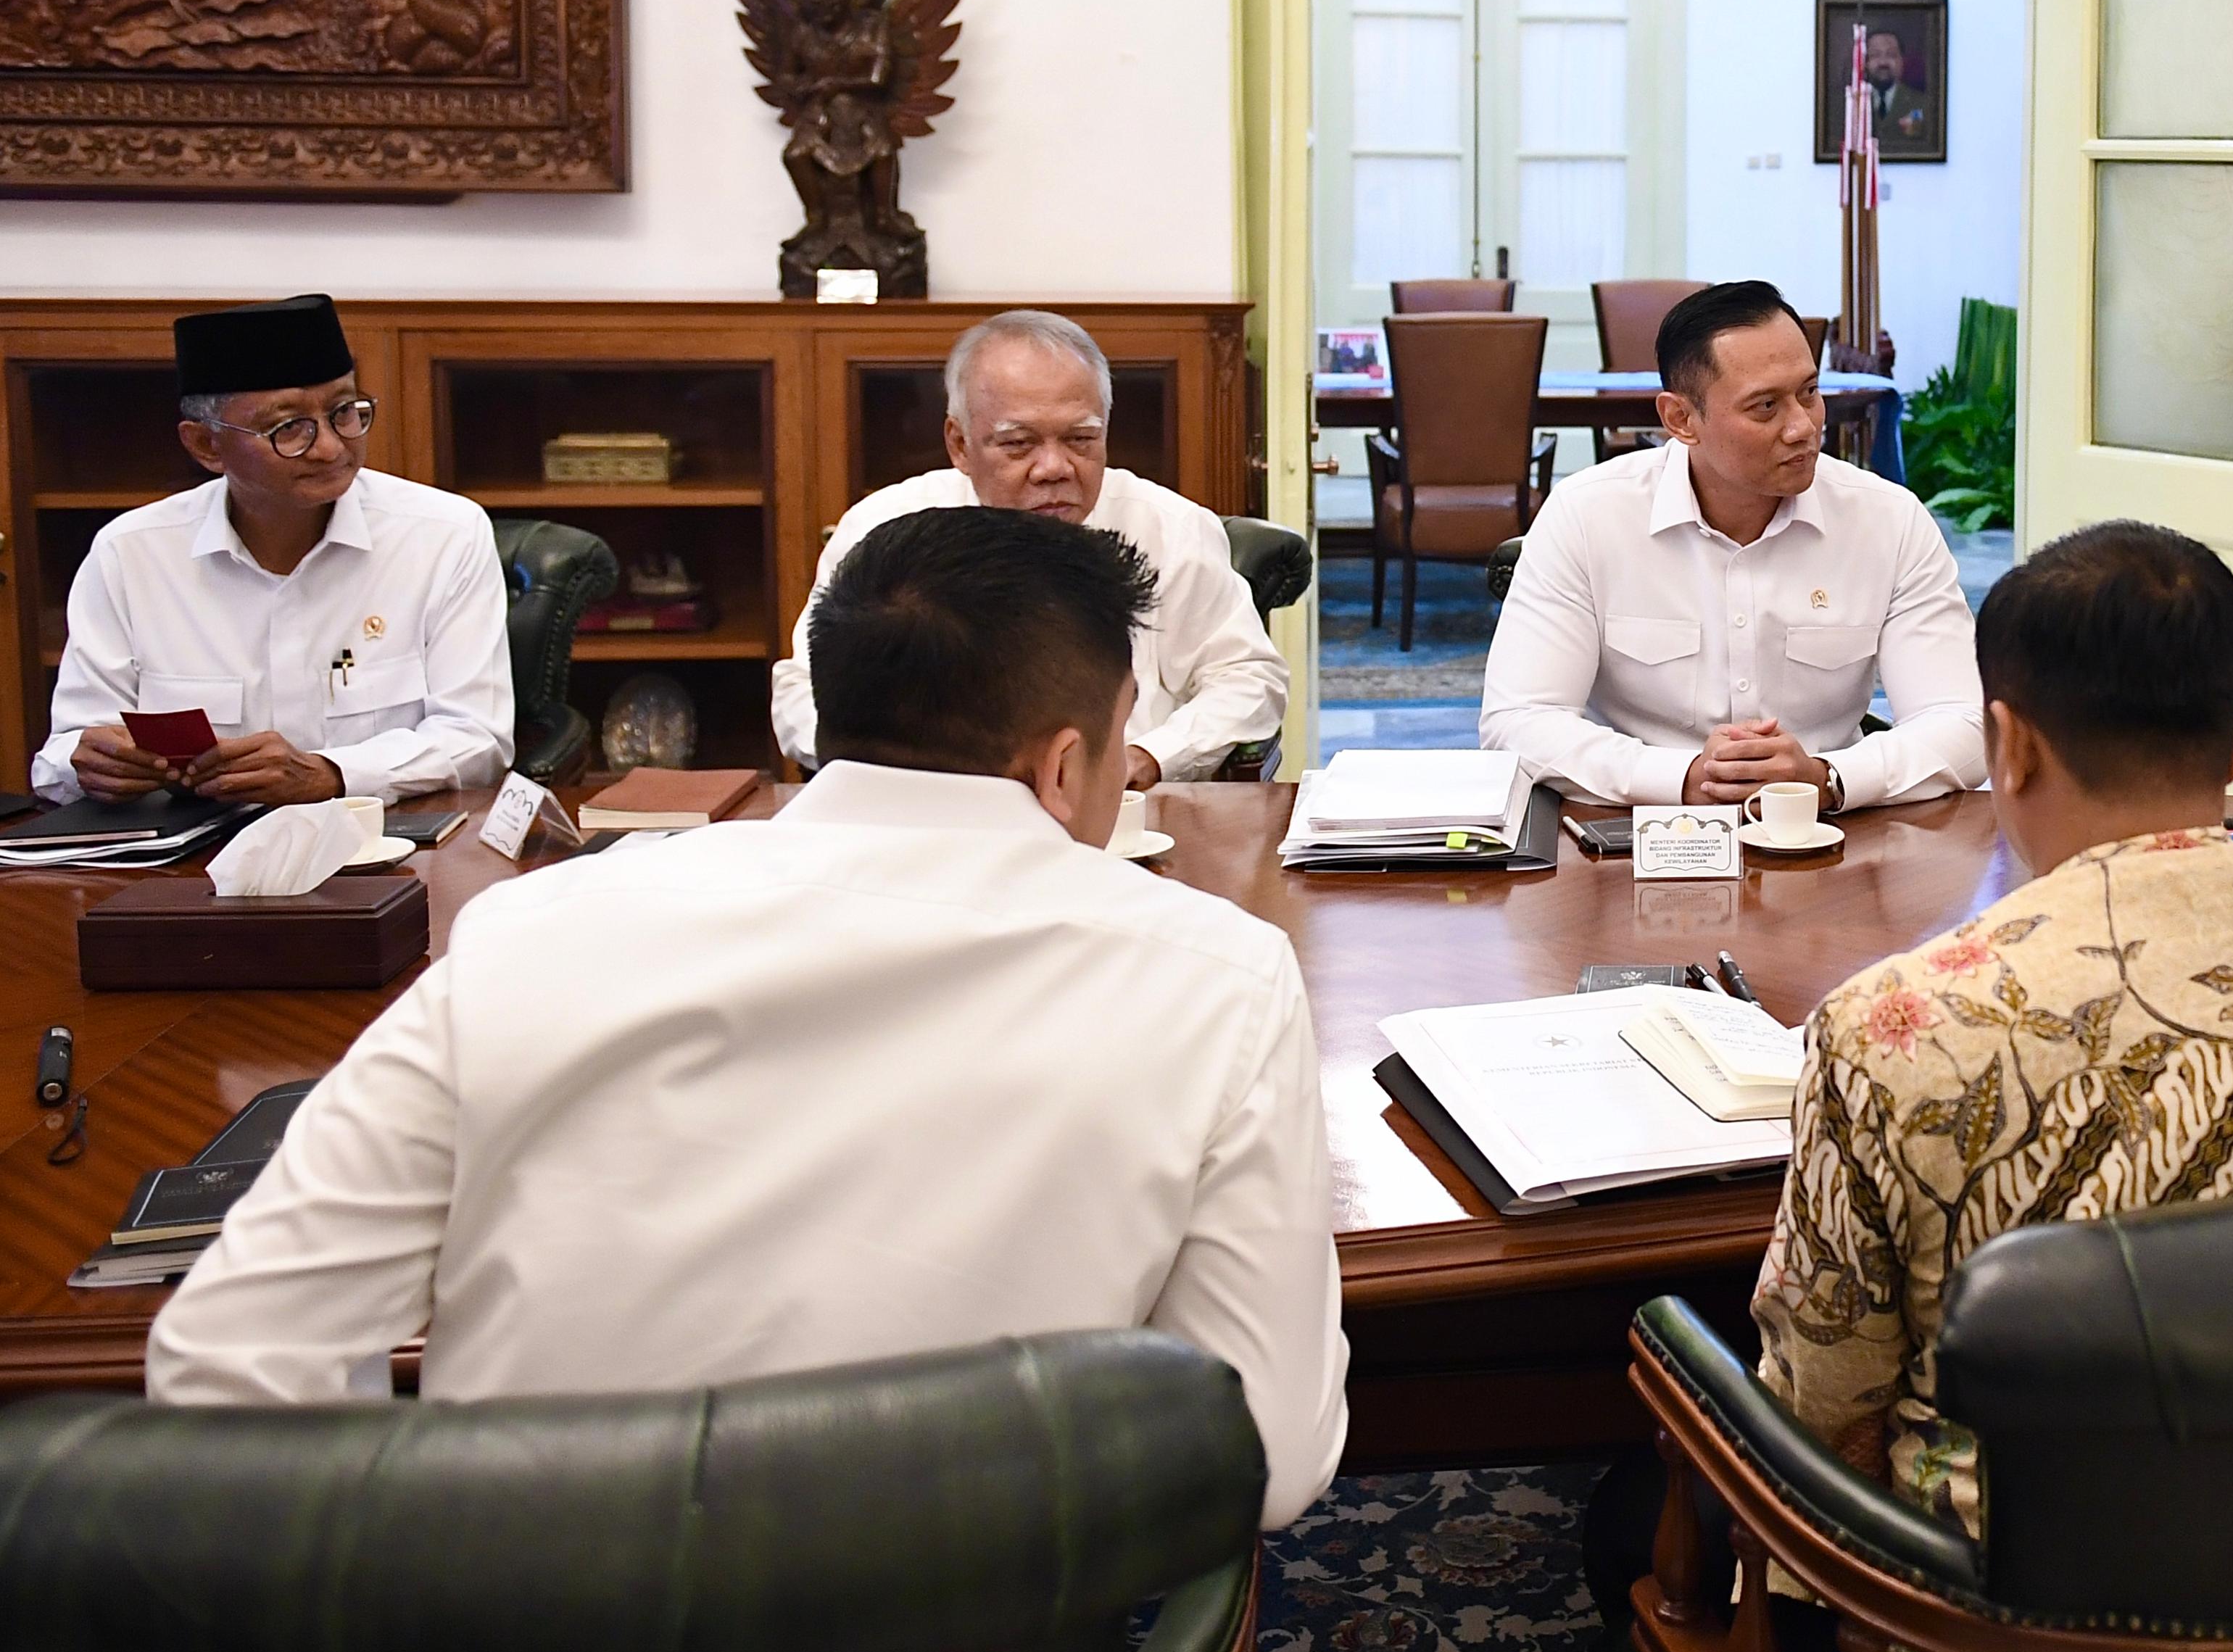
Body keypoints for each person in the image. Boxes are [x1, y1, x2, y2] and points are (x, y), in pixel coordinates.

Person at [149, 505, 1351, 1528]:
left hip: (533, 1616)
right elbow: (1268, 1456)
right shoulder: (1217, 979)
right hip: (977, 1626)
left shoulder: (528, 934)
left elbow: (230, 1357)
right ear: (1065, 763)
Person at [1588, 523, 2233, 1652]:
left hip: (1996, 1613)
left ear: (2010, 744)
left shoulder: (1897, 1024)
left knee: (1620, 1524)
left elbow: (1824, 1402)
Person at [1480, 279, 1984, 810]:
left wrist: (1828, 777)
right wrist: (1683, 777)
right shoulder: (1587, 517)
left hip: (1834, 835)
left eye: (1809, 393)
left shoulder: (1888, 521)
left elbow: (1965, 720)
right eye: (1765, 406)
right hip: (1633, 837)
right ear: (1681, 420)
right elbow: (1518, 722)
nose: (1803, 428)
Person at [31, 293, 513, 808]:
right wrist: (93, 763)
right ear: (206, 446)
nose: (330, 447)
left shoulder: (442, 534)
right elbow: (62, 755)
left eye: (344, 412)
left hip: (382, 850)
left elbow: (477, 739)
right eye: (289, 428)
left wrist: (329, 773)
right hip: (188, 865)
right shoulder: (130, 555)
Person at [772, 309, 1287, 783]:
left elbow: (1247, 678)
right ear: (959, 443)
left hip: (1122, 816)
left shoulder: (1169, 528)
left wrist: (1152, 757)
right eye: (1019, 443)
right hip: (928, 815)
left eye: (1081, 440)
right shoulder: (885, 530)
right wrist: (900, 772)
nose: (1054, 468)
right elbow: (803, 691)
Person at [1863, 28, 1931, 144]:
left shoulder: (1922, 103)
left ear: (1902, 61)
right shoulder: (1851, 102)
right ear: (1865, 63)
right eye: (1875, 55)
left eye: (1891, 55)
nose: (1883, 62)